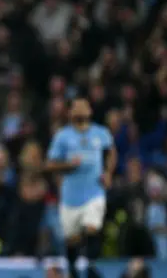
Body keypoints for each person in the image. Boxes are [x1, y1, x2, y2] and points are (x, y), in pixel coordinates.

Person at [45, 98, 117, 278]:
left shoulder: (101, 133)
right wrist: (68, 165)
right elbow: (50, 164)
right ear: (70, 113)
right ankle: (73, 270)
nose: (80, 109)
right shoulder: (62, 136)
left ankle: (91, 267)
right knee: (72, 240)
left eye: (84, 105)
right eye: (76, 106)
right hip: (70, 196)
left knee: (92, 228)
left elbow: (111, 152)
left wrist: (108, 172)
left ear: (90, 111)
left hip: (94, 192)